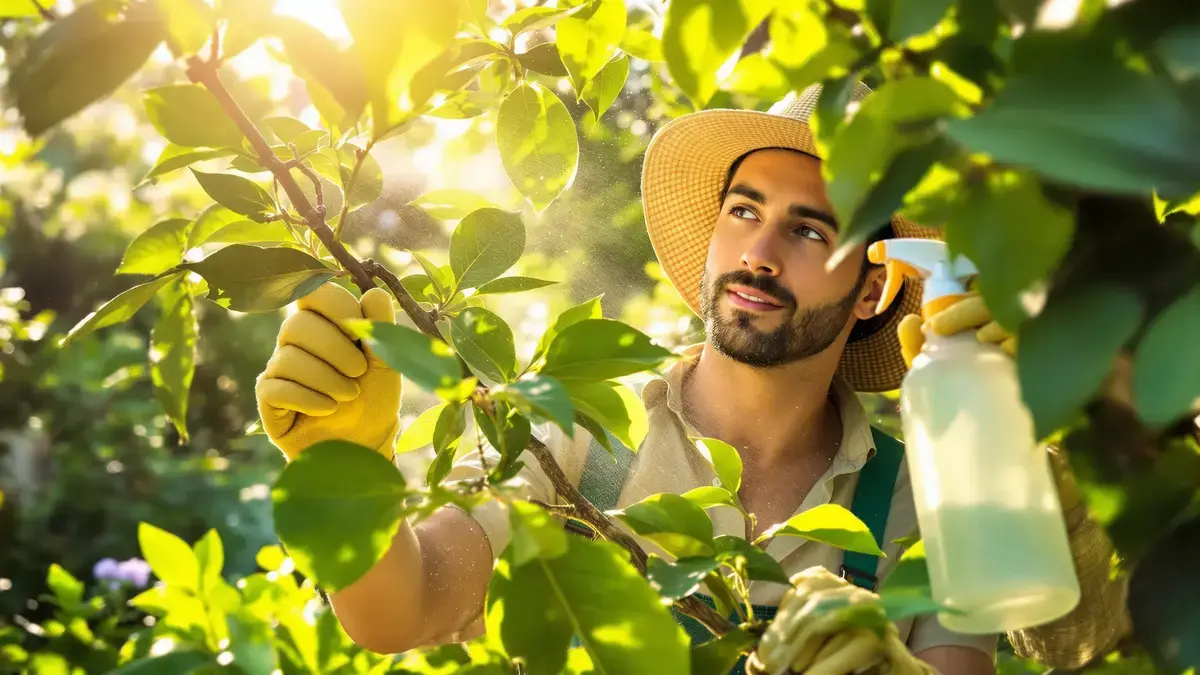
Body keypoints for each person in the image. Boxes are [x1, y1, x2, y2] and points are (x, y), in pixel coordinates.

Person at [255, 83, 1128, 673]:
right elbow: (401, 609)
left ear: (875, 289)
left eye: (810, 230)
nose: (758, 252)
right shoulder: (578, 432)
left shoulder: (923, 495)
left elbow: (1056, 638)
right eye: (744, 211)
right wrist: (346, 469)